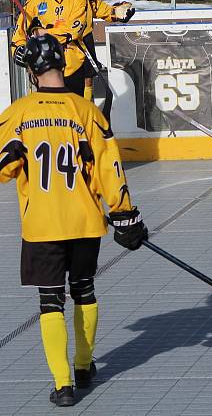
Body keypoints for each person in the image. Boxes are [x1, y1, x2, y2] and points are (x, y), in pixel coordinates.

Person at [0, 34, 148, 407]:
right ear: (62, 67)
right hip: (85, 221)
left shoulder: (17, 114)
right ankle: (84, 366)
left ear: (32, 72)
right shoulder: (86, 112)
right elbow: (110, 168)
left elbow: (3, 168)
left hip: (42, 225)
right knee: (84, 290)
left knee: (51, 301)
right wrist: (125, 215)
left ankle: (63, 385)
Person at [33, 0, 134, 117]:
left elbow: (95, 7)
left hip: (83, 38)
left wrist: (114, 13)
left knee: (87, 81)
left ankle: (84, 116)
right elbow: (35, 11)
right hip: (58, 41)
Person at [12, 0, 91, 98]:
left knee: (73, 115)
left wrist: (42, 33)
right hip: (45, 70)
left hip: (72, 68)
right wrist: (18, 49)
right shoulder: (36, 1)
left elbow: (73, 31)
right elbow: (19, 34)